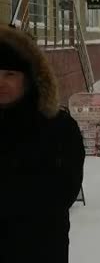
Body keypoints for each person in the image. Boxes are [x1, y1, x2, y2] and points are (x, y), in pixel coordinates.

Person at [0, 25, 85, 263]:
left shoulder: (58, 129)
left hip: (39, 249)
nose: (1, 82)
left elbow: (62, 194)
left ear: (29, 79)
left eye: (10, 74)